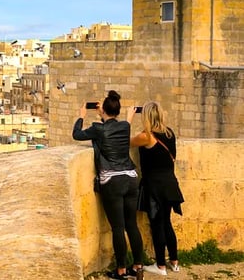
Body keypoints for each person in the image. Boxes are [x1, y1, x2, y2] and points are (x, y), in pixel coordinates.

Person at [73, 90, 144, 279]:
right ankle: (138, 266)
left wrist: (82, 115)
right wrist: (104, 113)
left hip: (112, 181)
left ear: (103, 110)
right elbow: (116, 128)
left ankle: (121, 269)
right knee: (132, 226)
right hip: (130, 178)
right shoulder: (125, 127)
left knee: (118, 228)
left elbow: (77, 134)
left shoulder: (98, 128)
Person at [129, 101, 184, 276]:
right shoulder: (169, 133)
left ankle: (160, 266)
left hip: (154, 186)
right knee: (167, 223)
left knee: (157, 224)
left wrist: (128, 119)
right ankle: (174, 262)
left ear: (146, 116)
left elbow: (125, 142)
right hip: (170, 184)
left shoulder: (147, 136)